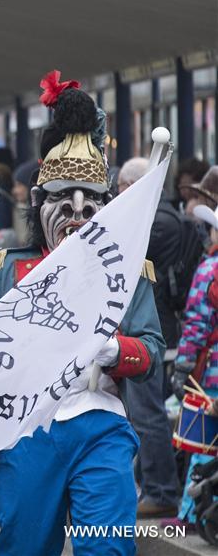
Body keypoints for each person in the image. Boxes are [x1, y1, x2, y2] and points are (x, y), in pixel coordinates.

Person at [0, 71, 164, 556]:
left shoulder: (131, 273)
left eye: (91, 205)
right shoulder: (7, 268)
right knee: (25, 547)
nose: (78, 214)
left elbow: (151, 354)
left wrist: (115, 350)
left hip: (100, 425)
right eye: (63, 201)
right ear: (39, 206)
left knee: (105, 547)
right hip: (26, 430)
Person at [116, 157, 181, 518]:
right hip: (154, 326)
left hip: (150, 330)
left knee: (147, 413)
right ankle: (149, 486)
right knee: (142, 412)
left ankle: (161, 490)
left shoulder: (154, 223)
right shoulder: (165, 216)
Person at [172, 203, 218, 526]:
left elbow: (197, 323)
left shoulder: (209, 269)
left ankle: (194, 513)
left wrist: (183, 366)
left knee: (204, 439)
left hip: (213, 368)